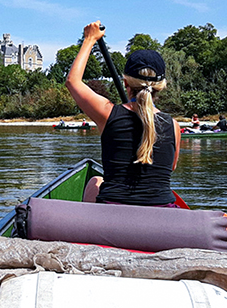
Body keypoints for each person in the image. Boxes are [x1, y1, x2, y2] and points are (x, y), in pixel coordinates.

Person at [66, 21, 181, 207]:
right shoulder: (173, 125)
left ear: (125, 83)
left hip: (114, 215)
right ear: (161, 87)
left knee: (95, 182)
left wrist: (89, 39)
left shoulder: (107, 113)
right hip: (162, 216)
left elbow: (73, 82)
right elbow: (171, 167)